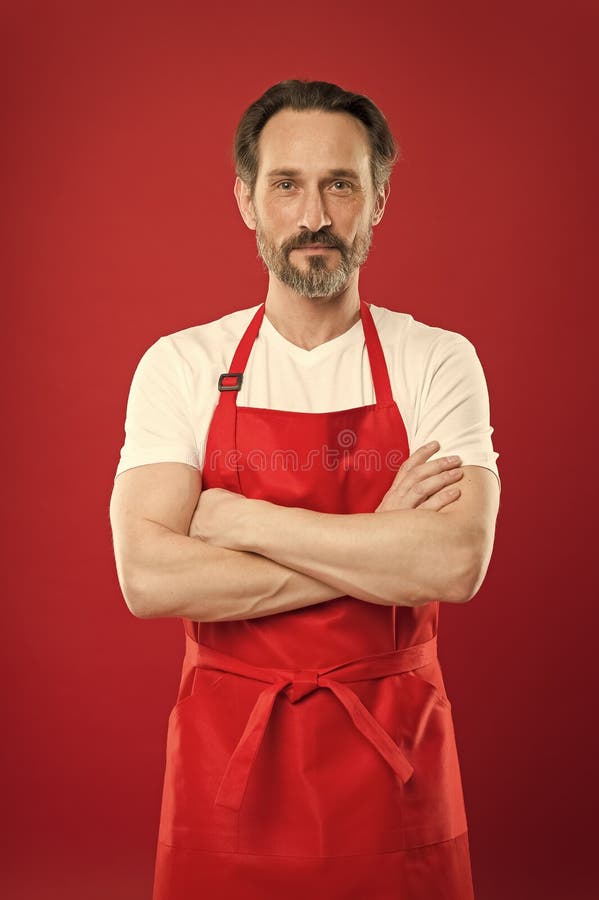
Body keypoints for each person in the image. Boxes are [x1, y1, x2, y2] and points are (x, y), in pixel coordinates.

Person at [110, 79, 500, 900]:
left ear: (378, 199)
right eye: (286, 184)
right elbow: (148, 578)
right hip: (228, 769)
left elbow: (456, 563)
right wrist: (378, 541)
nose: (312, 214)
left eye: (340, 184)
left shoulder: (437, 360)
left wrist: (236, 517)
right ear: (247, 201)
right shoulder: (178, 365)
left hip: (395, 763)